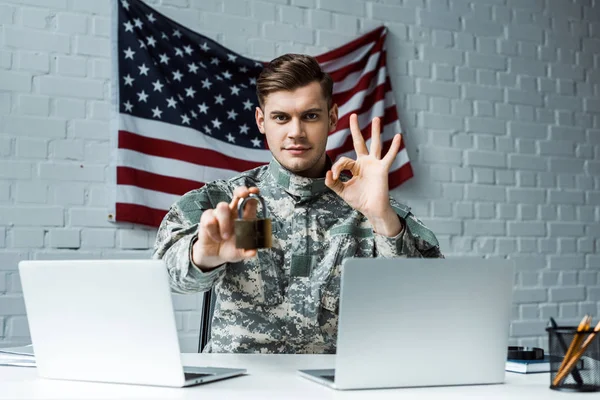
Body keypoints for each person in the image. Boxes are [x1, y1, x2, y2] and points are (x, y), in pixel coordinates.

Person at [153, 54, 443, 354]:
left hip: (337, 384)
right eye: (281, 118)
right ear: (261, 121)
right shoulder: (226, 199)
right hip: (241, 383)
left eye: (310, 116)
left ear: (332, 118)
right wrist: (201, 255)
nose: (296, 132)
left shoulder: (371, 207)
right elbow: (163, 276)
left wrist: (382, 219)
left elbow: (429, 299)